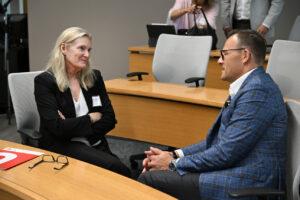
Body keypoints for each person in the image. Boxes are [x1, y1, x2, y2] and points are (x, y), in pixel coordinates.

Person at [137, 29, 287, 200]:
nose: (219, 60)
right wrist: (175, 155)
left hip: (247, 181)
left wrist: (171, 164)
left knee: (149, 179)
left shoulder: (257, 90)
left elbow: (225, 153)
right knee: (155, 175)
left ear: (245, 55)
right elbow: (216, 142)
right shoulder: (248, 86)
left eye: (225, 54)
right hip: (234, 169)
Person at [34, 27, 131, 177]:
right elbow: (56, 128)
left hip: (93, 141)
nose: (87, 55)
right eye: (81, 48)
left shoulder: (94, 77)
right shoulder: (45, 81)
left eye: (89, 50)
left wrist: (73, 126)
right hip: (61, 145)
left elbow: (110, 119)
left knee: (122, 174)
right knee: (114, 168)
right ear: (64, 48)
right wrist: (91, 118)